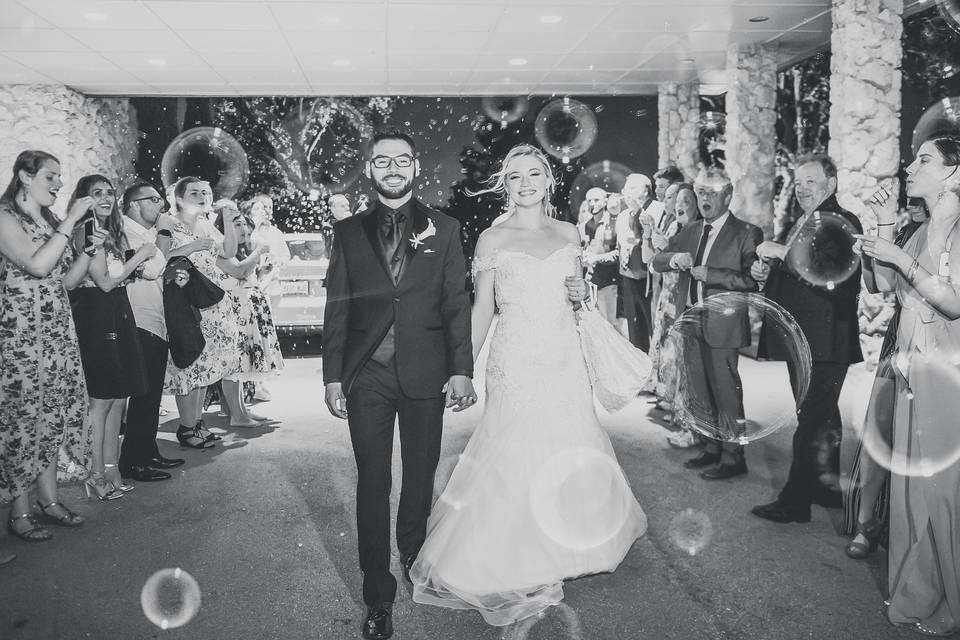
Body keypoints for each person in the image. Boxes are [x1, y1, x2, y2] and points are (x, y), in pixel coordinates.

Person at [410, 144, 647, 626]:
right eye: (515, 176)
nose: (525, 183)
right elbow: (483, 310)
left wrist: (581, 295)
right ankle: (513, 554)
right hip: (515, 362)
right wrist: (463, 369)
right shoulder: (492, 240)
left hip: (564, 361)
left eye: (533, 173)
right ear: (506, 183)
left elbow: (577, 300)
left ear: (548, 179)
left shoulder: (568, 232)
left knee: (572, 444)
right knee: (512, 451)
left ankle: (568, 547)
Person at [322, 130, 475, 640]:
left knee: (420, 472)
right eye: (382, 160)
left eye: (401, 160)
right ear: (371, 169)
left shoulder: (446, 228)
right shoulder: (347, 232)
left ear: (414, 168)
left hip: (425, 371)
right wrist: (331, 375)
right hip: (366, 374)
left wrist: (461, 369)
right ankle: (377, 591)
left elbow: (456, 301)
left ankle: (414, 553)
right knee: (372, 479)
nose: (392, 168)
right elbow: (339, 304)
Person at [855, 134, 960, 636]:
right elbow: (884, 285)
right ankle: (918, 592)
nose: (912, 165)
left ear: (954, 175)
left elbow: (954, 302)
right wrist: (882, 229)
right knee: (913, 492)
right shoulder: (920, 230)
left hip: (948, 377)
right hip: (911, 370)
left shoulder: (959, 228)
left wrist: (898, 258)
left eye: (926, 160)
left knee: (941, 495)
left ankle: (948, 601)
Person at [749, 154, 864, 524]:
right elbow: (798, 271)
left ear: (831, 184)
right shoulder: (807, 220)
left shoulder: (841, 221)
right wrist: (765, 269)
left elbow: (831, 272)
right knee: (823, 415)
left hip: (825, 339)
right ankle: (825, 487)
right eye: (797, 182)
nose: (801, 189)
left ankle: (794, 502)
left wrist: (781, 252)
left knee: (811, 419)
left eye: (811, 181)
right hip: (808, 337)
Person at [0, 150, 100, 541]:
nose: (59, 184)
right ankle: (20, 511)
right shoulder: (5, 217)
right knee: (23, 419)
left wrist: (90, 249)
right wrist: (71, 220)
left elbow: (67, 281)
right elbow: (36, 266)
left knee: (53, 413)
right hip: (20, 334)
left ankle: (50, 501)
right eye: (51, 176)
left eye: (59, 177)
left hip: (57, 330)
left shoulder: (50, 221)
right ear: (25, 177)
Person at [652, 167, 762, 481]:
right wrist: (674, 260)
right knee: (699, 390)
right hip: (691, 322)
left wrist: (709, 274)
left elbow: (750, 282)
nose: (704, 199)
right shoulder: (692, 230)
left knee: (726, 392)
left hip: (722, 324)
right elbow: (658, 259)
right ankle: (710, 447)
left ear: (728, 195)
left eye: (712, 192)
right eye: (701, 192)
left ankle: (733, 457)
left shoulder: (746, 232)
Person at [842, 205, 927, 558]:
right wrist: (869, 253)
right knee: (880, 433)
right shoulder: (907, 232)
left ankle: (913, 530)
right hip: (898, 345)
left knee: (920, 445)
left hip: (938, 351)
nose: (909, 172)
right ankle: (866, 524)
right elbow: (879, 285)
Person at [66, 175, 156, 499]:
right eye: (96, 193)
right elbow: (104, 282)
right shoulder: (87, 231)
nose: (105, 198)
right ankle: (95, 475)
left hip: (117, 310)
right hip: (97, 312)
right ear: (84, 199)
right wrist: (141, 254)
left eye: (109, 193)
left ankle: (111, 468)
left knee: (119, 397)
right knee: (101, 400)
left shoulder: (109, 231)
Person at [117, 179, 187, 482]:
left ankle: (147, 450)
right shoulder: (126, 231)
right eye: (155, 200)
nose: (162, 205)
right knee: (143, 395)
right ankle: (133, 461)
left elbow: (158, 266)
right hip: (139, 319)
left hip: (155, 318)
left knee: (153, 393)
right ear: (135, 204)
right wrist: (163, 230)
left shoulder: (145, 233)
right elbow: (150, 268)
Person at [164, 177, 240, 449]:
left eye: (206, 193)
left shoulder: (207, 225)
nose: (202, 197)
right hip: (185, 302)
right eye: (194, 192)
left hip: (212, 303)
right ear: (180, 197)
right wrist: (192, 247)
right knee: (189, 365)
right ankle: (186, 428)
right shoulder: (168, 222)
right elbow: (160, 257)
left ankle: (196, 423)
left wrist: (228, 222)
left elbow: (229, 252)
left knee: (205, 369)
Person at [214, 202, 281, 427]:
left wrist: (263, 270)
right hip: (231, 312)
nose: (243, 229)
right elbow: (239, 271)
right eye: (236, 224)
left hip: (246, 311)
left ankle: (242, 411)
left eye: (244, 224)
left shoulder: (240, 251)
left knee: (241, 364)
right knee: (233, 366)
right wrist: (258, 252)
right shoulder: (220, 249)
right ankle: (237, 415)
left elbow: (245, 275)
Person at [244, 193, 289, 403]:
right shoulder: (245, 232)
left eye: (263, 209)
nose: (259, 212)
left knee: (267, 334)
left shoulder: (275, 233)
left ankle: (263, 378)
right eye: (256, 209)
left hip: (270, 287)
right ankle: (253, 382)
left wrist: (274, 265)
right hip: (252, 287)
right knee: (252, 336)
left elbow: (283, 257)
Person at [615, 173, 661, 351]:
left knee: (653, 325)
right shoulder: (623, 215)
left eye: (633, 188)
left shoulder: (658, 208)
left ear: (646, 190)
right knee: (635, 327)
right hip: (629, 276)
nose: (628, 192)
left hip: (651, 278)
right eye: (626, 189)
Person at [579, 187, 620, 325]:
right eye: (589, 200)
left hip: (609, 282)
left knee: (611, 324)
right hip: (589, 282)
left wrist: (597, 258)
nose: (592, 203)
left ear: (605, 201)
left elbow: (618, 253)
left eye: (596, 200)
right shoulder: (584, 226)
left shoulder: (614, 223)